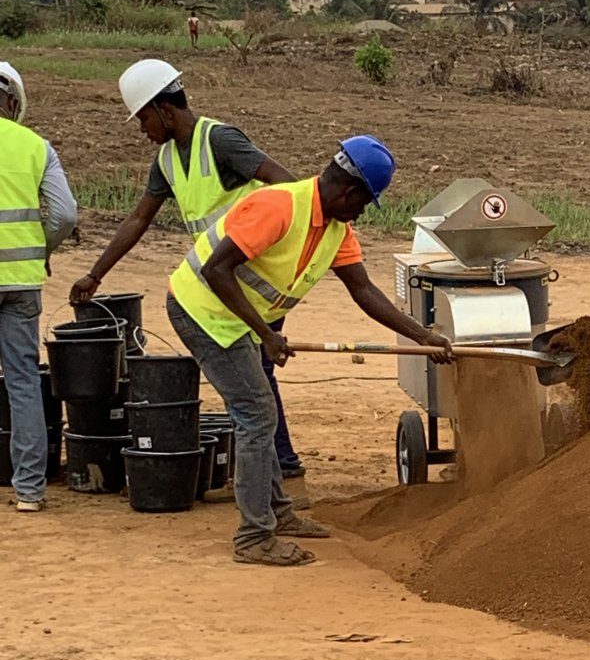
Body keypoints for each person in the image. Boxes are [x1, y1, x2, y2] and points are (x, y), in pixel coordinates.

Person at [166, 135, 452, 567]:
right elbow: (216, 270)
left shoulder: (337, 229)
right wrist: (265, 333)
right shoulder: (279, 207)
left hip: (236, 318)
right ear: (348, 192)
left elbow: (364, 290)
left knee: (261, 412)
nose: (360, 213)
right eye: (363, 203)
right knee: (256, 412)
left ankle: (279, 515)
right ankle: (254, 537)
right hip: (201, 310)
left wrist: (422, 336)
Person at [69, 59, 310, 481]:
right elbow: (138, 220)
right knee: (252, 375)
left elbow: (289, 187)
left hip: (257, 278)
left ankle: (279, 467)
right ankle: (272, 466)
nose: (142, 129)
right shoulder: (166, 159)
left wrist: (263, 237)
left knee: (256, 372)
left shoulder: (220, 141)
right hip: (222, 282)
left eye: (143, 118)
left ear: (165, 109)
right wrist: (95, 274)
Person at [0, 62, 77, 512]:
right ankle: (29, 490)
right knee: (23, 380)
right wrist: (41, 248)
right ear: (14, 101)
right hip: (23, 283)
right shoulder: (36, 147)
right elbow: (65, 216)